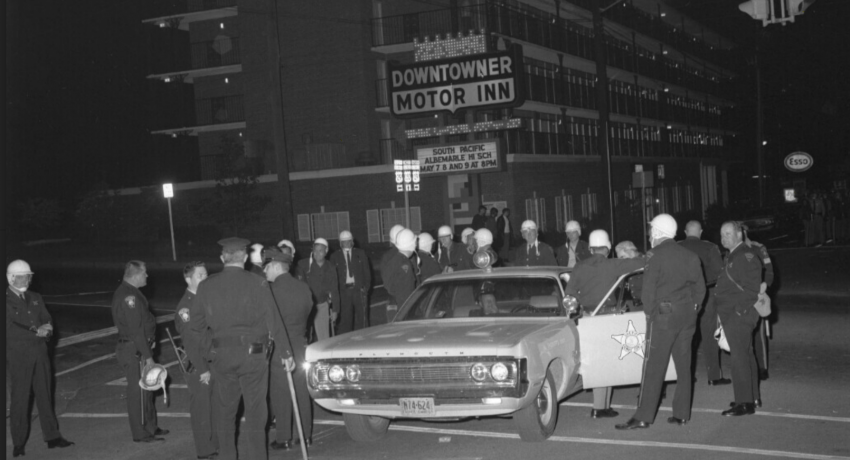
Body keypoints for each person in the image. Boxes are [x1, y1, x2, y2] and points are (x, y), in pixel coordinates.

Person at [190, 237, 294, 460]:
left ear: (222, 258)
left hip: (222, 356)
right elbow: (273, 320)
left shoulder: (207, 285)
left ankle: (228, 456)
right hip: (254, 355)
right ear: (245, 258)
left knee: (225, 412)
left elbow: (196, 325)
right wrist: (286, 352)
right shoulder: (257, 282)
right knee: (256, 412)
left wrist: (210, 350)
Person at [616, 214, 705, 430]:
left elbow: (648, 293)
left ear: (657, 232)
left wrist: (650, 315)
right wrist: (692, 309)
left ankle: (644, 415)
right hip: (686, 315)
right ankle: (682, 413)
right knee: (684, 367)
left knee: (653, 367)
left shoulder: (655, 255)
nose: (650, 235)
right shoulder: (690, 255)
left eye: (651, 231)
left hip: (664, 315)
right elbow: (700, 289)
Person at [562, 231, 644, 419]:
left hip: (586, 317)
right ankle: (599, 407)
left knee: (598, 362)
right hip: (608, 317)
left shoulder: (580, 266)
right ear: (607, 249)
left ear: (590, 248)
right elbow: (641, 262)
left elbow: (570, 294)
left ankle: (602, 405)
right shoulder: (612, 264)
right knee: (606, 363)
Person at [6, 260, 74, 458]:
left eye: (29, 275)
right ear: (11, 277)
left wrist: (49, 327)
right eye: (23, 276)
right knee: (20, 400)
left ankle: (52, 437)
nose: (27, 279)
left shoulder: (35, 297)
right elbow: (9, 328)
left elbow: (46, 317)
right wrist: (37, 332)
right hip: (19, 356)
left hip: (40, 354)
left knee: (45, 395)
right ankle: (19, 443)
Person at [111, 260, 169, 442]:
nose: (147, 276)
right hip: (133, 349)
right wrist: (148, 356)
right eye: (144, 273)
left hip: (137, 347)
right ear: (135, 275)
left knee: (147, 390)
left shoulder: (131, 292)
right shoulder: (130, 297)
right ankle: (140, 432)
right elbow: (136, 330)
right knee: (138, 392)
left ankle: (150, 427)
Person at [264, 249, 314, 451]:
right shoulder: (303, 287)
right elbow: (309, 310)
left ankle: (284, 436)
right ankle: (305, 435)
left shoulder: (271, 290)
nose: (265, 272)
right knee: (301, 390)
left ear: (276, 266)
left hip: (280, 344)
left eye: (266, 267)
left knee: (280, 391)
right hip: (300, 342)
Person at [714, 221, 763, 417]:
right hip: (734, 314)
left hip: (739, 315)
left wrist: (738, 312)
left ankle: (744, 403)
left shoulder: (746, 255)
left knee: (739, 358)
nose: (724, 238)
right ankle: (752, 396)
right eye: (722, 234)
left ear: (739, 235)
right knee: (746, 354)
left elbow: (752, 288)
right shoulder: (733, 254)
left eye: (728, 234)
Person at [173, 262, 218, 459]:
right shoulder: (186, 307)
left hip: (212, 359)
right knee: (201, 409)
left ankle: (214, 444)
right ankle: (204, 450)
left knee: (213, 407)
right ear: (188, 279)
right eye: (200, 275)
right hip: (199, 364)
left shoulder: (205, 299)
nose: (205, 279)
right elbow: (191, 343)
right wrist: (202, 369)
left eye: (206, 274)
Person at [678, 220, 728, 386]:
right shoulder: (710, 247)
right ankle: (713, 376)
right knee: (709, 336)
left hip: (683, 296)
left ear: (685, 231)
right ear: (700, 232)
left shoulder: (677, 247)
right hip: (708, 295)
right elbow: (720, 273)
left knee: (686, 337)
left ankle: (686, 376)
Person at [742, 224, 774, 381]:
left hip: (756, 296)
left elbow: (769, 271)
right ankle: (745, 366)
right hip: (739, 297)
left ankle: (762, 367)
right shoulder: (730, 251)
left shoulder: (758, 248)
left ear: (744, 232)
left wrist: (765, 284)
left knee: (759, 333)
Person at [296, 238, 339, 342]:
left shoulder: (330, 267)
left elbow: (334, 289)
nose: (317, 253)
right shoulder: (303, 265)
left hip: (322, 305)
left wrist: (335, 310)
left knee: (324, 338)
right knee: (305, 336)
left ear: (326, 251)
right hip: (306, 307)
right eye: (315, 250)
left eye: (320, 250)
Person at [330, 231, 372, 334]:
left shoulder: (360, 253)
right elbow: (332, 277)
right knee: (345, 320)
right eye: (344, 242)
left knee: (362, 319)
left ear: (352, 242)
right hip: (343, 292)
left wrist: (365, 288)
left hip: (359, 291)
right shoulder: (335, 256)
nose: (347, 244)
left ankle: (364, 340)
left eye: (349, 241)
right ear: (340, 243)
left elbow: (367, 273)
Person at [383, 229, 418, 319]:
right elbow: (408, 289)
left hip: (394, 304)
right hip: (404, 307)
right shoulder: (405, 263)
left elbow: (388, 284)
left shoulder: (394, 260)